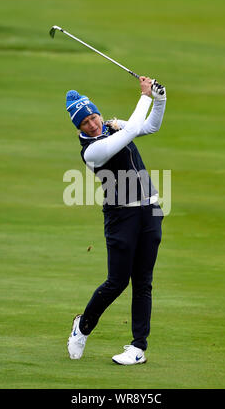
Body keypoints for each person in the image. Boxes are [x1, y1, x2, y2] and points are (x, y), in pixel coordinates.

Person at [66, 76, 166, 365]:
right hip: (121, 216)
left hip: (150, 209)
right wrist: (145, 95)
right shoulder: (92, 152)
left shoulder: (112, 125)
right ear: (79, 127)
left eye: (93, 116)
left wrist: (159, 100)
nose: (93, 124)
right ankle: (83, 326)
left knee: (143, 282)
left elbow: (149, 126)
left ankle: (137, 347)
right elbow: (133, 128)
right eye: (85, 122)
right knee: (117, 281)